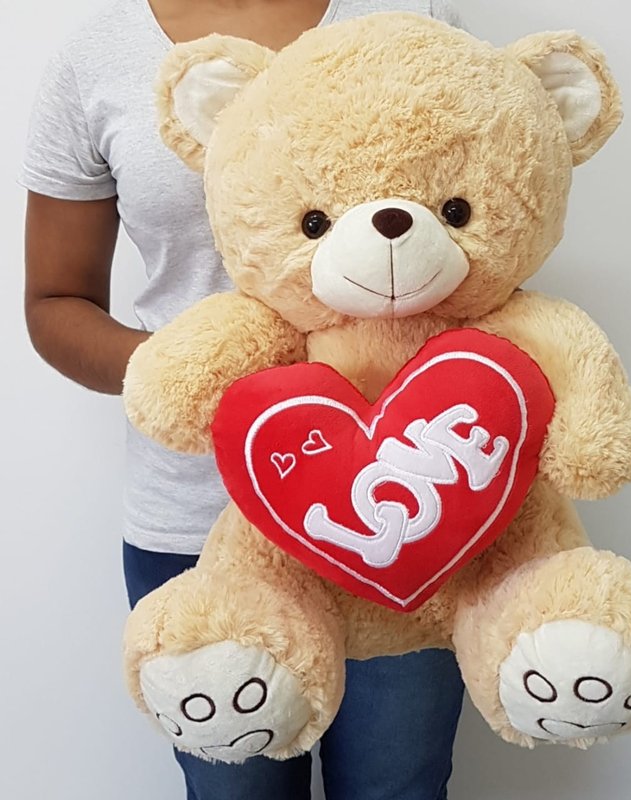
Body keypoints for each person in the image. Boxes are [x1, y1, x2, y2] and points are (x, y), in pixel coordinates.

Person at [20, 1, 466, 798]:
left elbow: (481, 232)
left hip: (405, 503)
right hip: (196, 519)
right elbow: (55, 303)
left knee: (400, 787)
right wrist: (202, 377)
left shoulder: (409, 19)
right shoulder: (98, 57)